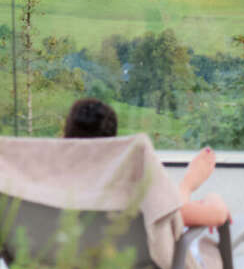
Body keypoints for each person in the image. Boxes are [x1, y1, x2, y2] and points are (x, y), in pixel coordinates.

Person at [60, 98, 229, 229]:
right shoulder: (131, 187)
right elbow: (215, 215)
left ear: (64, 136)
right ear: (113, 142)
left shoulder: (46, 184)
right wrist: (198, 191)